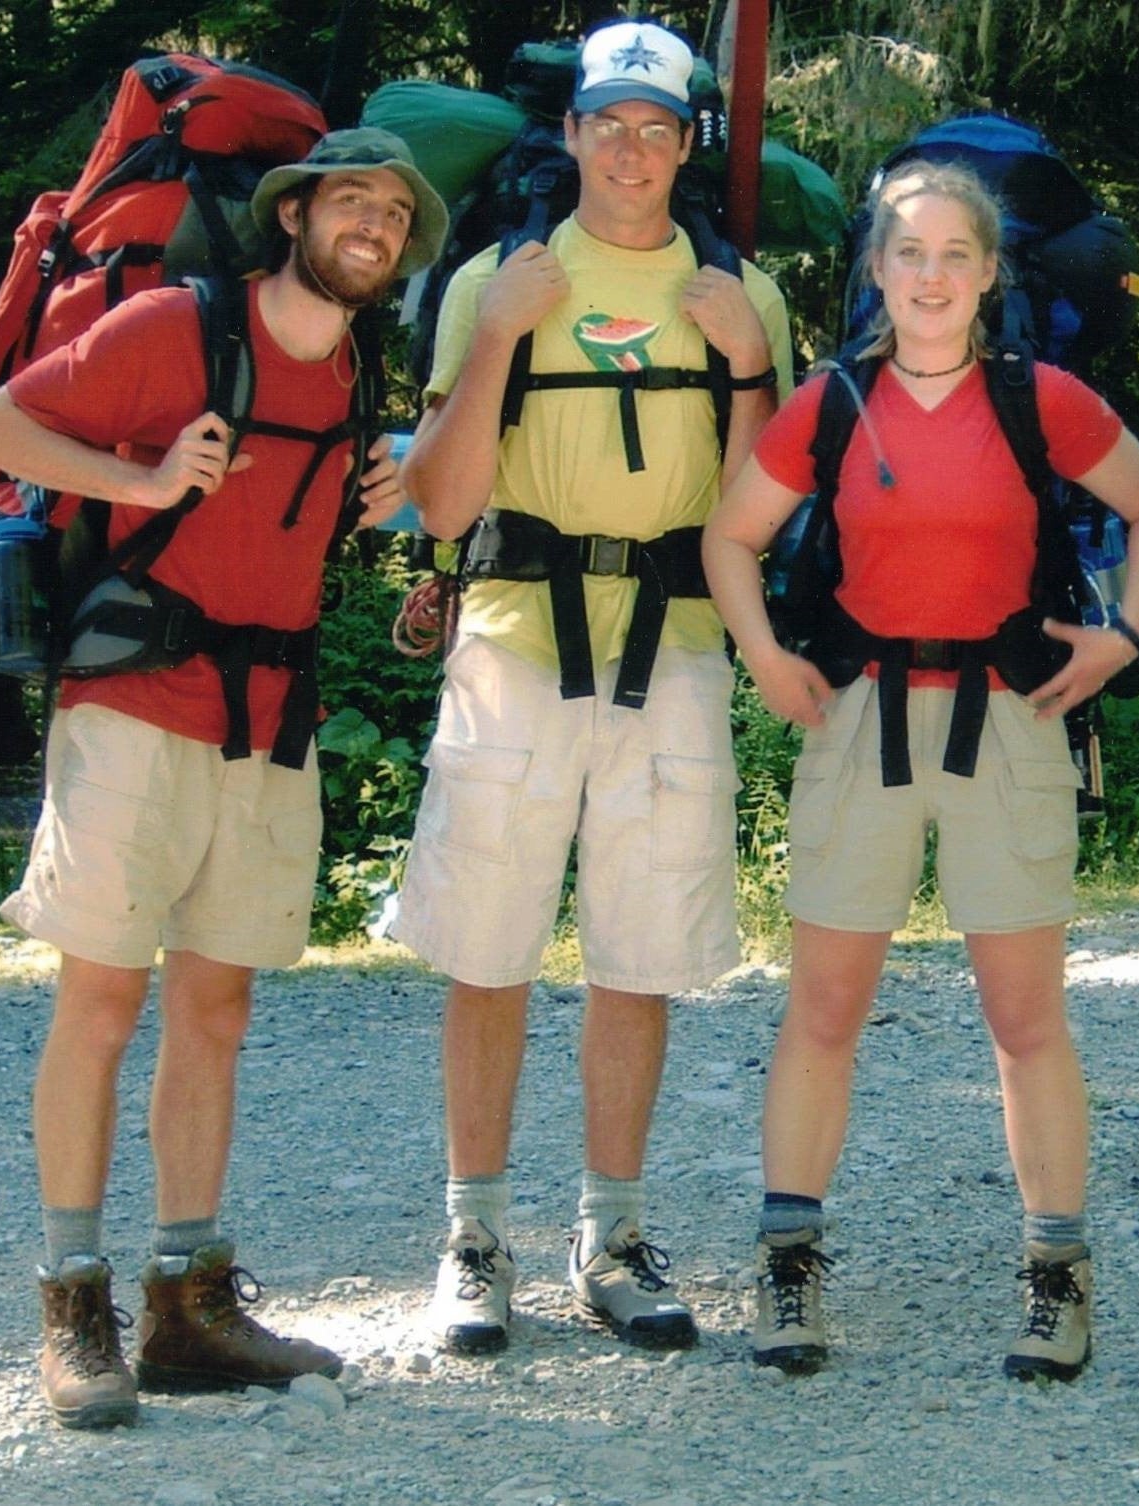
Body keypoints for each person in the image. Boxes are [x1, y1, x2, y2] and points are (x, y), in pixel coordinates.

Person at [0, 128, 447, 1428]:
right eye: (354, 201)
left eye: (396, 218)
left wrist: (394, 481)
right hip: (131, 701)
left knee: (216, 1007)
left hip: (269, 716)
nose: (376, 228)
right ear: (292, 214)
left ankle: (187, 1299)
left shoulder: (350, 365)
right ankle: (75, 1300)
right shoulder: (179, 325)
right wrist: (138, 473)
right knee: (104, 996)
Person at [704, 159, 1139, 1380]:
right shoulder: (831, 403)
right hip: (862, 718)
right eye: (907, 252)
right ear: (875, 268)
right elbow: (729, 535)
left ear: (987, 273)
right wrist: (762, 652)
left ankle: (1055, 1280)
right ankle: (790, 1273)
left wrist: (1121, 640)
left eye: (953, 255)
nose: (929, 276)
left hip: (1009, 722)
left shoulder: (1044, 401)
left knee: (1025, 1020)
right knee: (821, 1011)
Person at [394, 19, 791, 1355]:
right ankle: (472, 1235)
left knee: (638, 952)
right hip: (509, 637)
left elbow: (756, 514)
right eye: (606, 124)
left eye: (657, 128)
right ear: (568, 135)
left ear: (688, 144)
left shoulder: (740, 294)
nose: (630, 151)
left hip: (671, 648)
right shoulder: (494, 281)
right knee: (486, 943)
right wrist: (502, 335)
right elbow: (443, 501)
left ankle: (611, 1234)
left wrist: (743, 363)